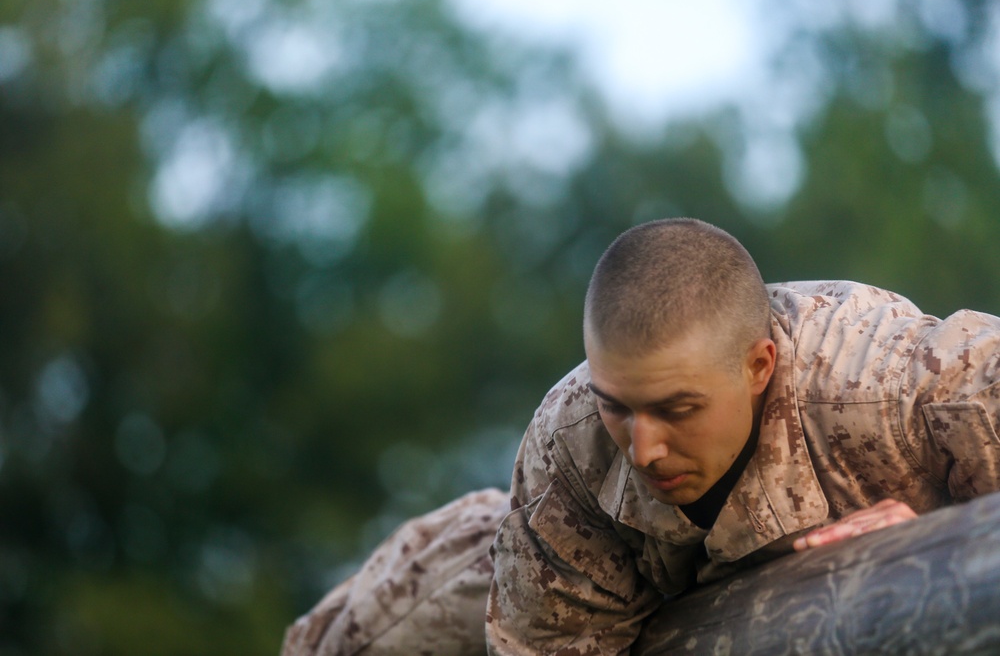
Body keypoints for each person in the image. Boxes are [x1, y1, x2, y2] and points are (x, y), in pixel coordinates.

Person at [282, 218, 1000, 656]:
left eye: (677, 407)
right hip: (579, 580)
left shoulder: (900, 382)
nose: (645, 447)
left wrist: (942, 523)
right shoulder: (570, 449)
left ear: (759, 366)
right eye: (618, 406)